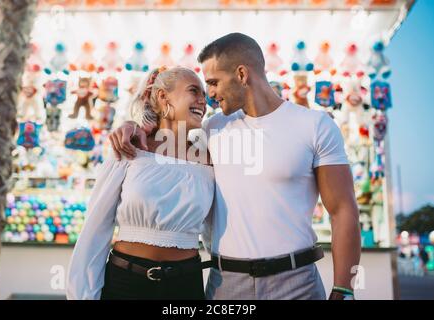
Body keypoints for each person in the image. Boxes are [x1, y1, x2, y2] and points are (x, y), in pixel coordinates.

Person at [109, 33, 361, 300]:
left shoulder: (315, 125)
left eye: (214, 83)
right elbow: (164, 140)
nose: (210, 96)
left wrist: (344, 288)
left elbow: (343, 209)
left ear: (241, 74)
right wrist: (134, 126)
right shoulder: (211, 129)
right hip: (226, 286)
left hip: (296, 283)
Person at [66, 66, 215, 300]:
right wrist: (83, 295)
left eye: (204, 95)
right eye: (194, 91)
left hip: (185, 286)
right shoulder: (130, 148)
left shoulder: (210, 158)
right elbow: (96, 228)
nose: (202, 101)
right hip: (125, 282)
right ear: (163, 96)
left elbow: (215, 232)